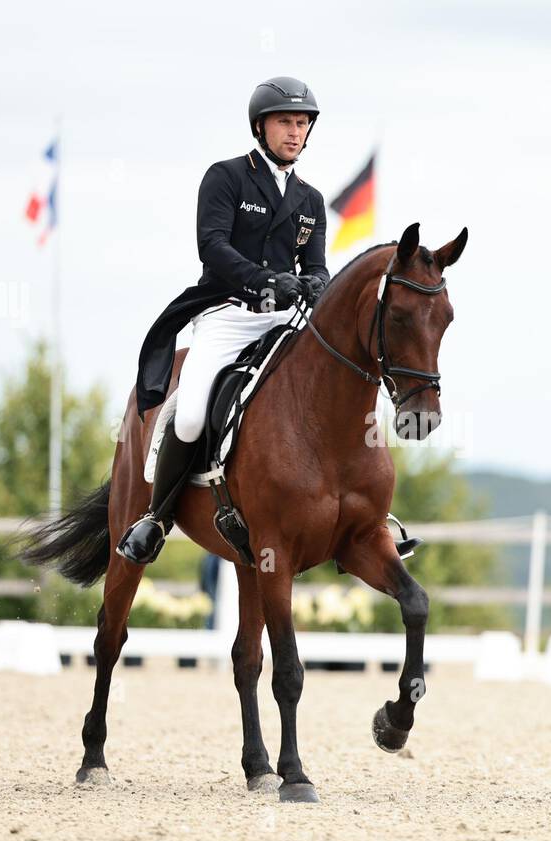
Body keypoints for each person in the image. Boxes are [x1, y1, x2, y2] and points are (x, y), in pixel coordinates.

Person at [120, 77, 331, 565]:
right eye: (285, 122)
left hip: (282, 323)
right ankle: (156, 517)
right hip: (227, 315)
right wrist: (264, 279)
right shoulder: (228, 177)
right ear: (261, 126)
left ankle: (354, 510)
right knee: (191, 414)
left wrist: (318, 282)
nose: (295, 132)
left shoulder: (311, 200)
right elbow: (212, 246)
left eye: (302, 124)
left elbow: (315, 263)